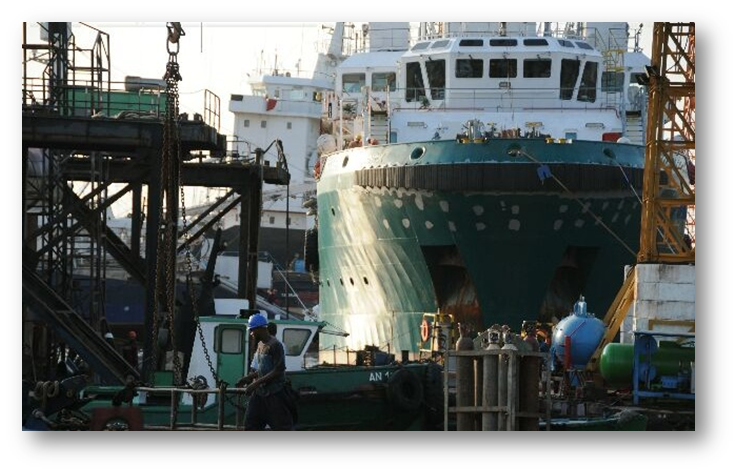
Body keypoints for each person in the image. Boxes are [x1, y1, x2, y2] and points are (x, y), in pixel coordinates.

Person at [236, 314, 294, 430]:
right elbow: (263, 369)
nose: (251, 333)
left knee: (282, 427)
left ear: (260, 329)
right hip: (259, 393)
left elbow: (278, 370)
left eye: (252, 330)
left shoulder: (275, 345)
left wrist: (255, 384)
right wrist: (248, 378)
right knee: (250, 425)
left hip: (274, 394)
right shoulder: (260, 344)